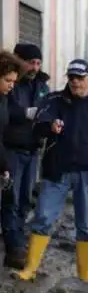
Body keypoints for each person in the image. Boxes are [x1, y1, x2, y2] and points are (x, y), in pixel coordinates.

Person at [14, 59, 88, 283]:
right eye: (71, 77)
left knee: (85, 225)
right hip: (57, 172)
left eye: (80, 78)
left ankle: (85, 278)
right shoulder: (53, 101)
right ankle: (30, 270)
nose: (75, 82)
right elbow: (37, 126)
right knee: (43, 217)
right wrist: (49, 126)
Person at [2, 43, 50, 269]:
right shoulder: (12, 85)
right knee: (11, 198)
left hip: (32, 150)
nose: (35, 67)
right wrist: (26, 113)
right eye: (31, 62)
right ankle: (14, 247)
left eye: (38, 63)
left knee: (24, 200)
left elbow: (49, 109)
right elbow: (7, 112)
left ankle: (18, 243)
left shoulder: (41, 86)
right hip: (12, 149)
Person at [0, 51, 24, 257]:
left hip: (4, 160)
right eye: (8, 80)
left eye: (14, 82)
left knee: (10, 203)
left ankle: (13, 250)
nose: (11, 85)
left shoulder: (4, 99)